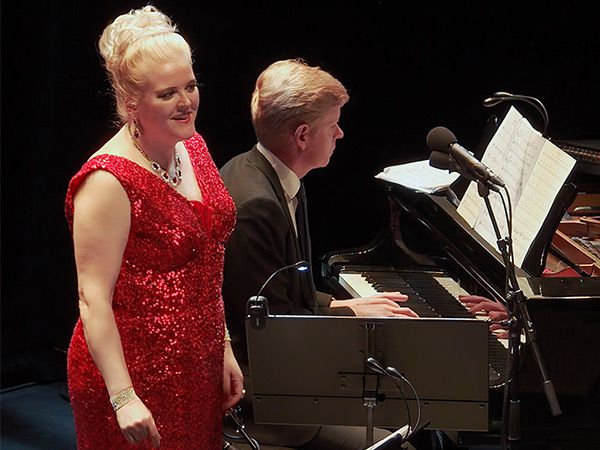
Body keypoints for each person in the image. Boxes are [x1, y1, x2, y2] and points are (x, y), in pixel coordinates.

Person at [65, 6, 243, 449]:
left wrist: (222, 344)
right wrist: (123, 397)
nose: (186, 102)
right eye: (168, 94)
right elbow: (92, 298)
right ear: (131, 103)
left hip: (197, 365)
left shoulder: (193, 146)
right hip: (132, 374)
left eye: (190, 86)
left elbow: (207, 265)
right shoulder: (107, 181)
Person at [219, 59, 419, 449]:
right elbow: (274, 328)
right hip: (266, 403)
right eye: (333, 125)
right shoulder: (257, 205)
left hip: (284, 369)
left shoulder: (271, 176)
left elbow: (283, 294)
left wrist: (343, 305)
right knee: (400, 434)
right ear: (303, 135)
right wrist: (351, 318)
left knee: (403, 413)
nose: (340, 133)